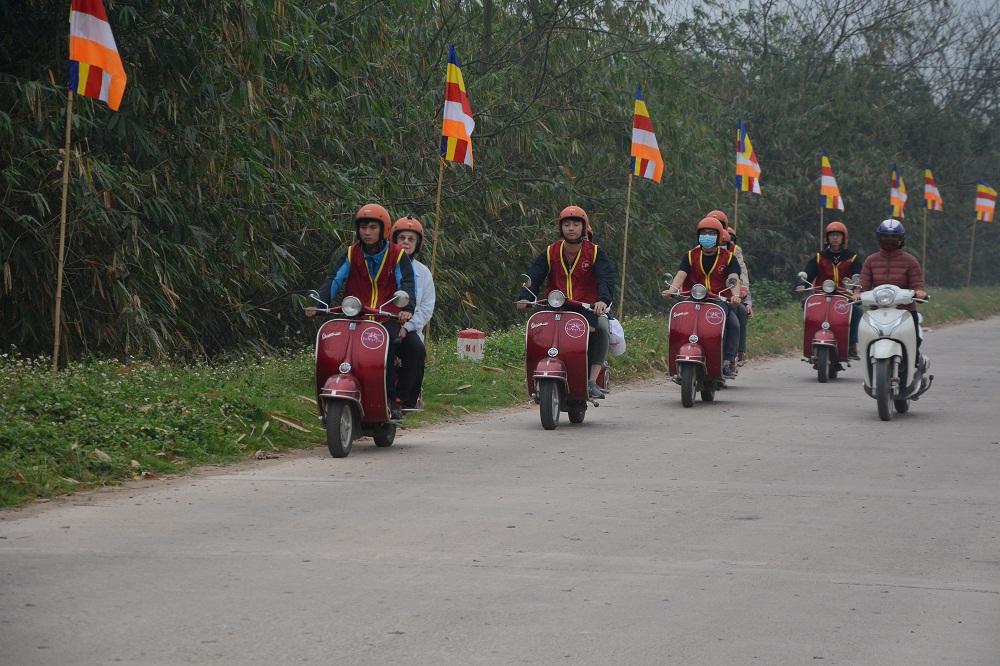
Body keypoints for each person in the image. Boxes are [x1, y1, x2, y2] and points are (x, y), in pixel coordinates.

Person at [307, 203, 416, 419]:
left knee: (390, 352)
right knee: (334, 350)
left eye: (373, 227)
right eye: (363, 227)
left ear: (384, 229)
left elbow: (407, 283)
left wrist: (407, 307)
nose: (367, 232)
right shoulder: (350, 253)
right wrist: (319, 303)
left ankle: (391, 401)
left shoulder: (397, 255)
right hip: (356, 317)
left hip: (386, 318)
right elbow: (335, 278)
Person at [517, 205, 616, 399]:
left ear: (583, 227)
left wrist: (602, 300)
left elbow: (606, 278)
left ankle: (591, 380)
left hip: (586, 308)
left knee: (603, 327)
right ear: (561, 228)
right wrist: (525, 297)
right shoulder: (550, 251)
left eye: (576, 224)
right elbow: (534, 275)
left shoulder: (595, 252)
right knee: (536, 332)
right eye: (567, 224)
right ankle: (536, 373)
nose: (571, 228)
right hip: (555, 306)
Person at [661, 216, 742, 377]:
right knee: (679, 323)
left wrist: (735, 295)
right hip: (692, 298)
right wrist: (671, 290)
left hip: (718, 300)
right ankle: (675, 359)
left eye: (711, 233)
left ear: (719, 236)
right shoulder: (691, 255)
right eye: (704, 233)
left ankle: (727, 361)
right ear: (698, 235)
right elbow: (680, 275)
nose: (707, 236)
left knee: (734, 324)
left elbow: (733, 278)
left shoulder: (728, 257)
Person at [857, 218, 927, 359]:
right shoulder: (871, 260)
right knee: (865, 336)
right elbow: (863, 283)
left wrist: (919, 292)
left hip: (905, 311)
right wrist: (857, 294)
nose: (889, 240)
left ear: (901, 239)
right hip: (877, 310)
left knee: (916, 340)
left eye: (894, 237)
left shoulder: (910, 261)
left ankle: (915, 363)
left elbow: (917, 284)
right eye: (885, 236)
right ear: (879, 237)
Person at [799, 220, 865, 359]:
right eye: (832, 235)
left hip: (844, 295)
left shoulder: (852, 258)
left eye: (838, 235)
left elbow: (857, 276)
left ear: (844, 237)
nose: (835, 238)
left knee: (857, 311)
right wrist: (804, 285)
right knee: (806, 303)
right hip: (822, 293)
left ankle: (852, 344)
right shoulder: (819, 257)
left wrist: (856, 291)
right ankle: (812, 337)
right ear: (827, 238)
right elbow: (809, 273)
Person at [391, 215, 435, 409]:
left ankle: (405, 400)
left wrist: (407, 327)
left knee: (416, 350)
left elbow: (426, 309)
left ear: (418, 244)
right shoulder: (384, 266)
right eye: (402, 238)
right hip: (381, 325)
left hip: (407, 328)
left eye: (411, 239)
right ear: (394, 240)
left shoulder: (423, 273)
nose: (406, 243)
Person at [708, 209, 751, 365]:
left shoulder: (733, 252)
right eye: (706, 230)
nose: (710, 233)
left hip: (725, 294)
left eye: (717, 226)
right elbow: (684, 273)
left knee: (739, 311)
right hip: (701, 295)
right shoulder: (696, 252)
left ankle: (733, 355)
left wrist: (742, 293)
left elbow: (740, 274)